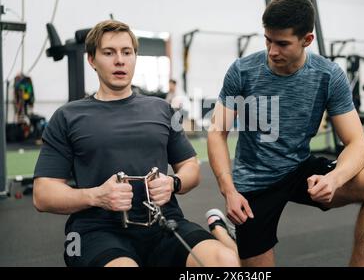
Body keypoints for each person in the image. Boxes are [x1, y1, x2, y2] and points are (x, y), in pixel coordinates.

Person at [207, 0, 364, 267]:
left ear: (307, 40)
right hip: (254, 181)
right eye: (268, 40)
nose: (272, 51)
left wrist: (334, 179)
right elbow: (217, 133)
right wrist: (228, 190)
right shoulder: (242, 71)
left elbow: (358, 142)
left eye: (282, 43)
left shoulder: (328, 75)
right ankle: (220, 228)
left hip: (300, 168)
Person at [33, 20, 239, 267]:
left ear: (134, 57)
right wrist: (97, 196)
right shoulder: (67, 116)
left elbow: (191, 167)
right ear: (91, 60)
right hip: (97, 231)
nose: (119, 60)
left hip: (163, 223)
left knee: (226, 263)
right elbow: (43, 195)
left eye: (127, 52)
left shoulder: (163, 109)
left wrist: (174, 182)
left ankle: (219, 231)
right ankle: (219, 231)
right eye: (109, 53)